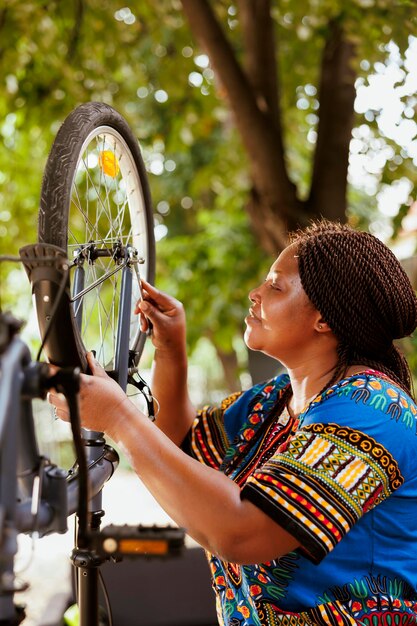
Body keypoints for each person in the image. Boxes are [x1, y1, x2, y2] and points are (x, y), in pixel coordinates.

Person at [50, 220, 417, 626]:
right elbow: (179, 447)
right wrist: (171, 349)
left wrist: (119, 417)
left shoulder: (373, 412)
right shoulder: (278, 399)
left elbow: (244, 533)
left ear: (324, 318)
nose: (254, 294)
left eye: (275, 286)